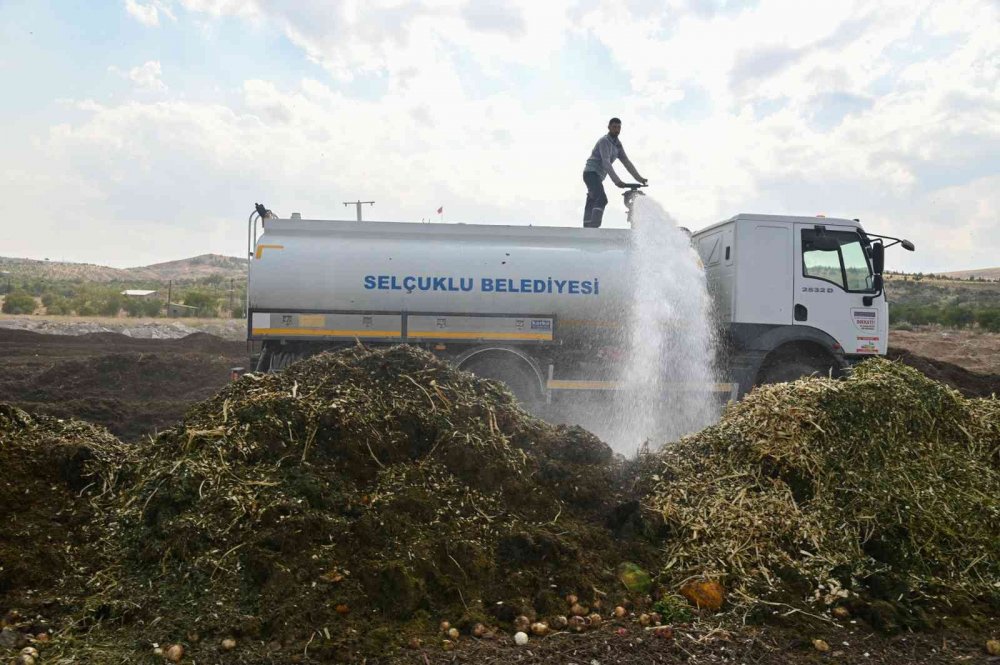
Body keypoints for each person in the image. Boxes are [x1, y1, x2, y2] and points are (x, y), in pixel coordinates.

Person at [582, 117, 647, 227]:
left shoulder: (617, 145)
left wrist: (639, 178)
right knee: (601, 199)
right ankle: (593, 227)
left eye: (619, 127)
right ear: (609, 127)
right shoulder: (604, 141)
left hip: (598, 176)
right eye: (614, 127)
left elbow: (626, 162)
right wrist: (617, 181)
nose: (617, 130)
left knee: (592, 199)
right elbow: (606, 163)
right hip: (591, 173)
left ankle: (587, 226)